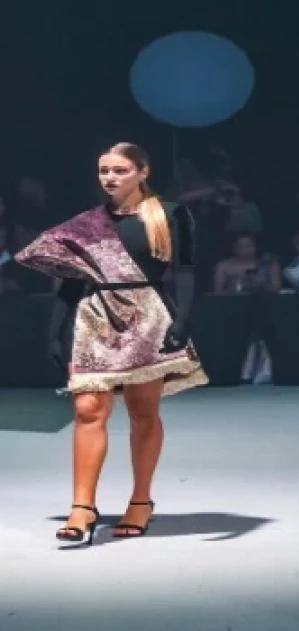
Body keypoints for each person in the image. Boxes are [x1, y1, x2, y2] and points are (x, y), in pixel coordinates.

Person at [15, 142, 208, 546]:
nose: (110, 178)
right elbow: (71, 280)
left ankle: (140, 500)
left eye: (120, 170)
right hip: (95, 315)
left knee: (142, 410)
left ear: (142, 172)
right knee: (87, 408)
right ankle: (82, 506)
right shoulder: (87, 224)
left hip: (146, 314)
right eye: (104, 170)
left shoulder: (170, 214)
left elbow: (186, 271)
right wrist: (54, 332)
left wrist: (183, 320)